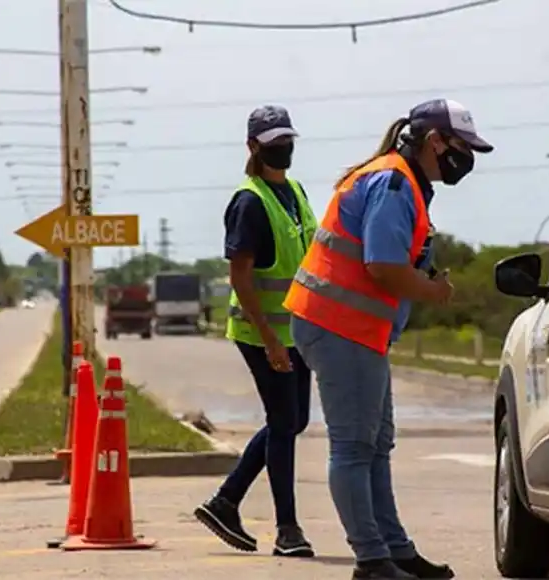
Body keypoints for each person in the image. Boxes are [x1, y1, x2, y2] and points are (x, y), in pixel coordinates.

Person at [284, 99, 494, 579]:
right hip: (340, 327)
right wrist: (433, 290)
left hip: (354, 330)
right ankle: (371, 559)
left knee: (376, 444)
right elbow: (382, 266)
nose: (466, 161)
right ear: (434, 142)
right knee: (355, 448)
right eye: (462, 149)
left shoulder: (403, 182)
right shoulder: (394, 183)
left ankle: (394, 550)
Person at [194, 105, 319, 558]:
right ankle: (288, 530)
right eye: (273, 143)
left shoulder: (297, 192)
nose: (282, 149)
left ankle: (226, 501)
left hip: (298, 331)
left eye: (287, 140)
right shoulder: (249, 202)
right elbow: (241, 277)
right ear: (254, 147)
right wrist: (269, 339)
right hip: (261, 333)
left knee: (294, 421)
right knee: (284, 424)